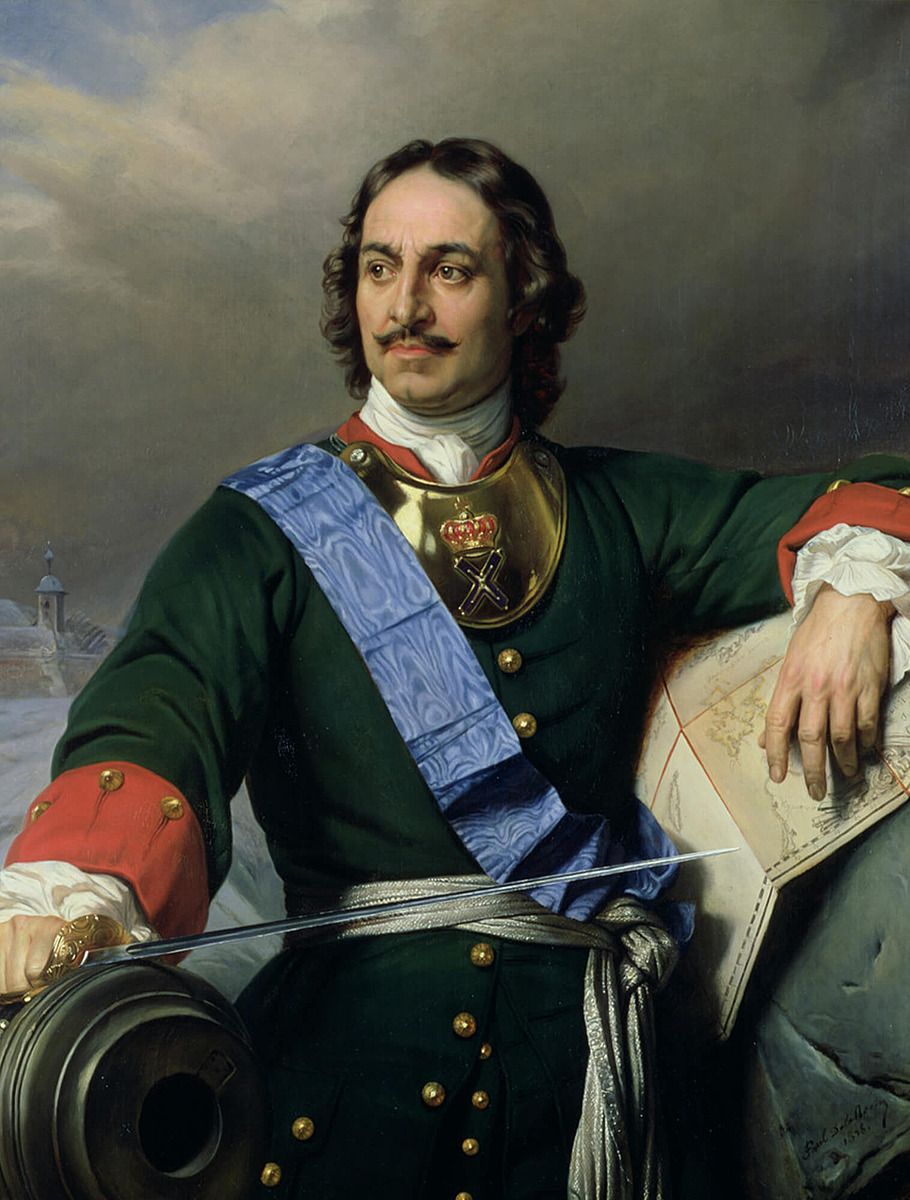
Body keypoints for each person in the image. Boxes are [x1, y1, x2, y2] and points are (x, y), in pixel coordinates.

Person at [0, 137, 909, 1199]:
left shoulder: (620, 506)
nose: (406, 305)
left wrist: (855, 592)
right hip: (352, 1095)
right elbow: (155, 719)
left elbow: (865, 493)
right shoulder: (257, 531)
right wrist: (65, 895)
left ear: (522, 300)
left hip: (596, 1091)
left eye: (451, 269)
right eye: (380, 267)